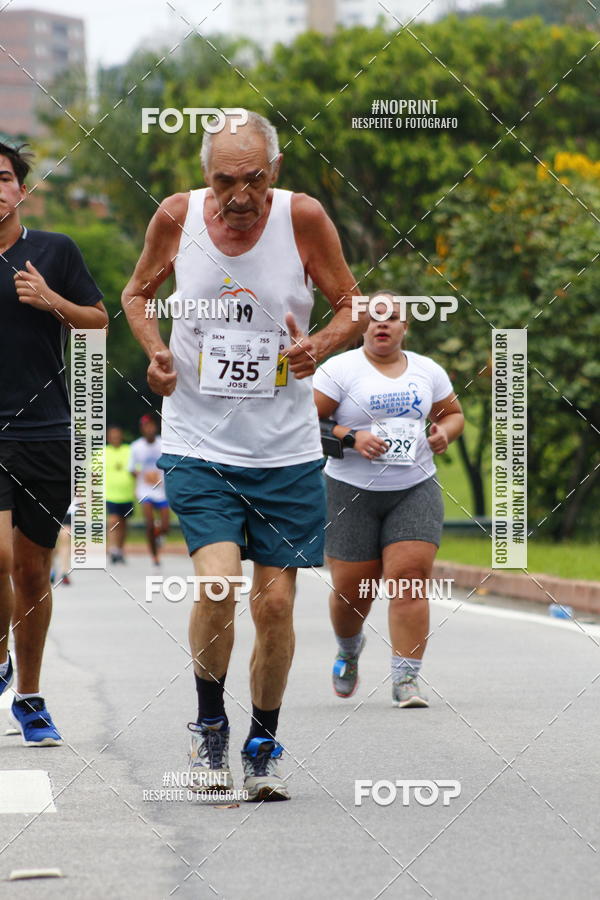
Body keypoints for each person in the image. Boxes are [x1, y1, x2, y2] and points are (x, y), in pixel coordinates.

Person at [121, 110, 364, 801]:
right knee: (219, 584)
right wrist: (157, 354)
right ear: (206, 176)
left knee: (278, 606)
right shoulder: (177, 217)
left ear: (274, 173)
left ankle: (261, 739)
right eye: (225, 179)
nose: (239, 194)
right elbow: (137, 294)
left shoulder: (304, 218)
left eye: (253, 179)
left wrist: (319, 345)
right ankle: (208, 727)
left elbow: (350, 303)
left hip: (285, 449)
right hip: (198, 443)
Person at [0, 142, 108, 745]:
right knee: (1, 559)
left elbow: (98, 322)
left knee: (34, 572)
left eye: (4, 177)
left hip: (45, 432)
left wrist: (52, 301)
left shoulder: (54, 250)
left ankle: (31, 697)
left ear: (21, 190)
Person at [313, 292, 464, 708]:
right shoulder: (338, 370)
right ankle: (349, 648)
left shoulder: (427, 370)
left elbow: (453, 414)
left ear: (404, 327)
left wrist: (443, 434)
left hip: (413, 489)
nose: (383, 324)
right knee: (351, 593)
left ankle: (406, 680)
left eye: (392, 317)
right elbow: (308, 422)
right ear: (363, 326)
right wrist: (351, 437)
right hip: (348, 493)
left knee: (410, 579)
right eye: (375, 317)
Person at [129, 415, 169, 566]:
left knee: (165, 526)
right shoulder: (136, 446)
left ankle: (159, 536)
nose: (149, 429)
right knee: (150, 524)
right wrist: (144, 475)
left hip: (162, 490)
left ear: (155, 427)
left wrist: (160, 477)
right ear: (142, 429)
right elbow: (132, 469)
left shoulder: (163, 444)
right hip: (145, 491)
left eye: (151, 425)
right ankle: (154, 556)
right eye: (146, 426)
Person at [105, 425, 135, 564]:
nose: (115, 438)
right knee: (113, 520)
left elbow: (136, 470)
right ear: (108, 437)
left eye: (117, 435)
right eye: (112, 435)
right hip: (110, 495)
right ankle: (112, 549)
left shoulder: (129, 450)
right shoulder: (102, 452)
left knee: (123, 523)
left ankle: (120, 549)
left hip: (127, 495)